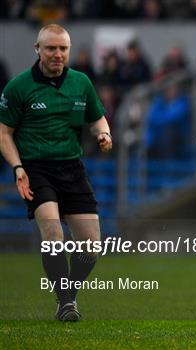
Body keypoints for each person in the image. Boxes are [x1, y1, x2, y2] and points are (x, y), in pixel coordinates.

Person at [0, 24, 112, 321]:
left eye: (63, 48)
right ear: (37, 49)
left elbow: (98, 120)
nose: (58, 54)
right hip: (36, 169)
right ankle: (66, 304)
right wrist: (18, 167)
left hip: (72, 168)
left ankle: (67, 297)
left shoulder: (81, 82)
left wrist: (103, 135)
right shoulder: (18, 87)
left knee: (91, 246)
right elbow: (4, 134)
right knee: (53, 235)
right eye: (51, 48)